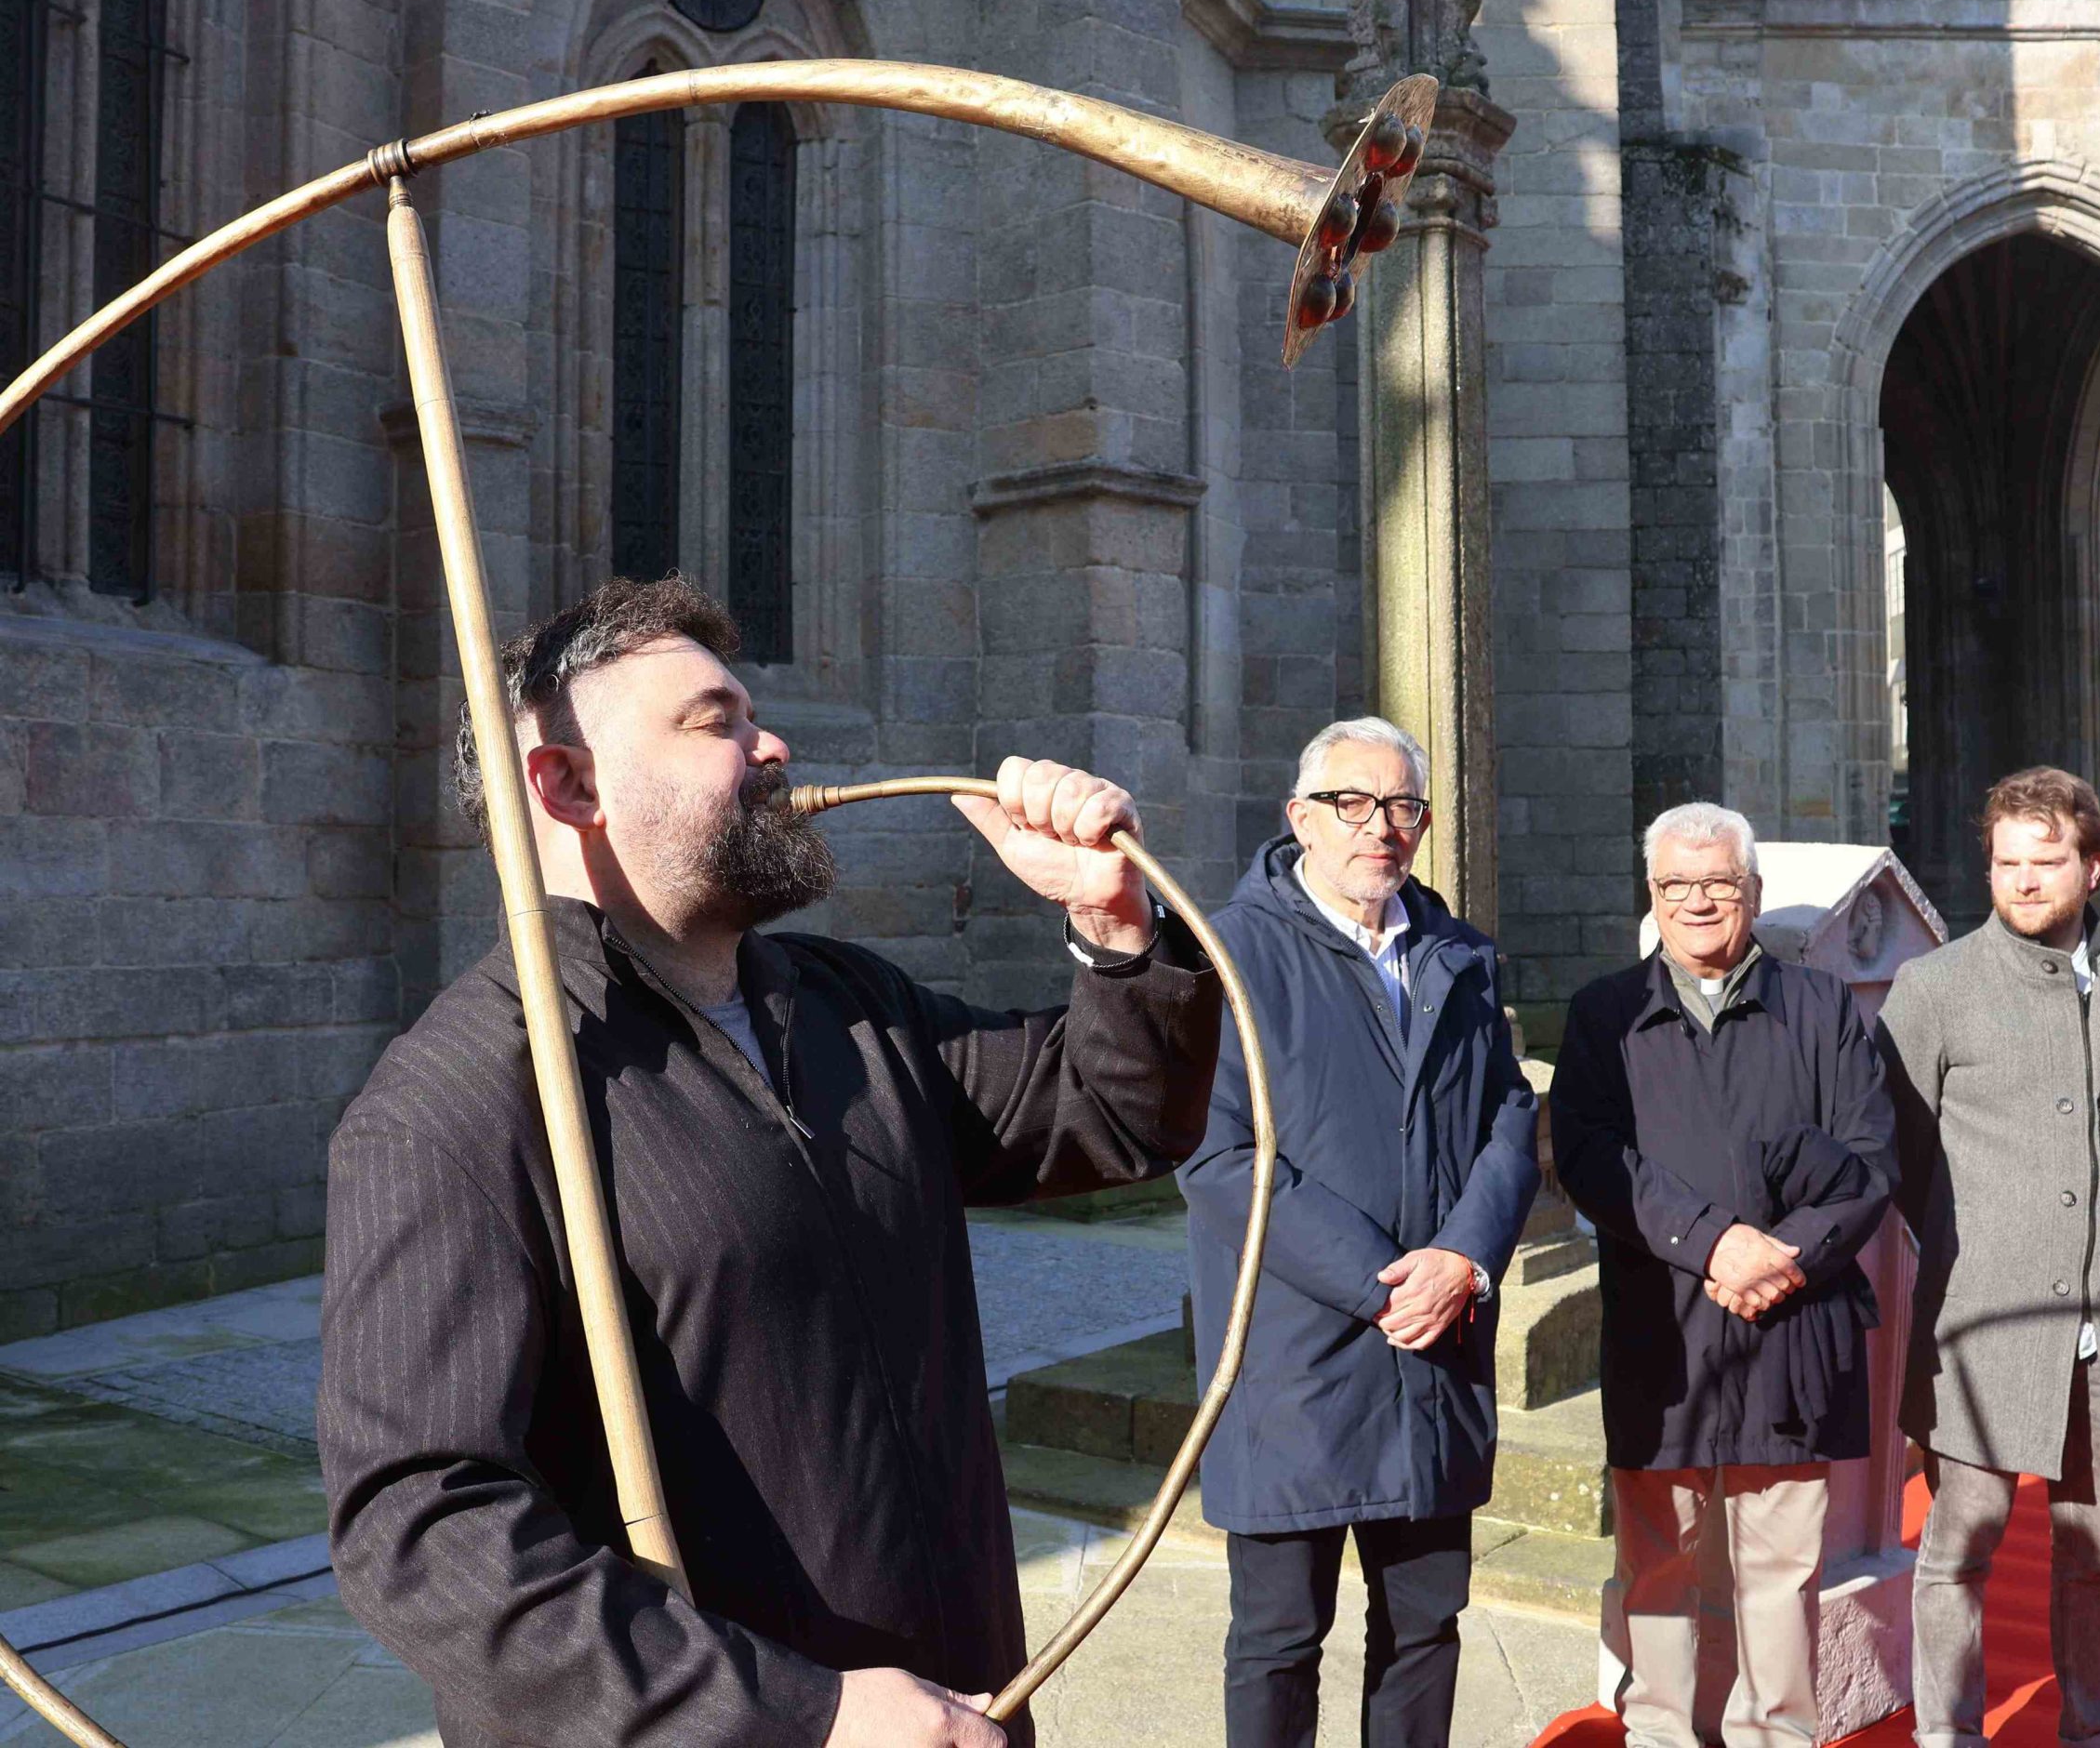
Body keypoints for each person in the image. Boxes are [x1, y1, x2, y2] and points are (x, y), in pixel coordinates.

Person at [317, 576, 1223, 1748]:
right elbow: (424, 1528)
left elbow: (1110, 1113)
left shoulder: (846, 1005)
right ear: (570, 783)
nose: (773, 743)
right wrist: (804, 1711)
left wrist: (1115, 933)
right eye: (716, 720)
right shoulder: (453, 1102)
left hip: (964, 1707)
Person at [1176, 716, 1540, 1748]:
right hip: (1296, 1352)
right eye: (1352, 803)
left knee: (1426, 1623)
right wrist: (1387, 1284)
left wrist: (1464, 1257)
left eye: (1402, 807)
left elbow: (1508, 1114)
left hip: (1435, 1354)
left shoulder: (1460, 952)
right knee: (1281, 1633)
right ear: (1300, 817)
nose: (1378, 827)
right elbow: (1217, 1155)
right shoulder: (1228, 951)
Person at [1549, 801, 1896, 1748]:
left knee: (1780, 1564)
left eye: (1718, 882)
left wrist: (1783, 1253)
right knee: (1657, 1557)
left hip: (1791, 1322)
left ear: (1753, 892)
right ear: (1651, 894)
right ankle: (1661, 1729)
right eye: (1676, 884)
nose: (1697, 900)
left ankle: (1775, 1732)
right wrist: (1712, 1242)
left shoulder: (1818, 1007)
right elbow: (1586, 1154)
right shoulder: (1604, 1012)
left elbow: (1868, 1158)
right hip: (1661, 1327)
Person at [1877, 768, 2100, 1748]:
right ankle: (1948, 1732)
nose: (2020, 880)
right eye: (2004, 861)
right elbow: (1897, 1151)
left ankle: (2096, 1729)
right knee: (1956, 1548)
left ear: (2093, 865)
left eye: (2044, 861)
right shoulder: (1932, 987)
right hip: (1982, 1326)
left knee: (2098, 1554)